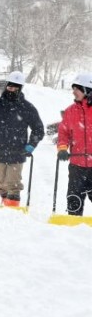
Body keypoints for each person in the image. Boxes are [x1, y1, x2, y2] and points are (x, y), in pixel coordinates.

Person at [0, 71, 44, 207]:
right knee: (1, 181)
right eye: (10, 86)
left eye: (15, 87)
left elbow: (38, 129)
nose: (12, 89)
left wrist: (30, 146)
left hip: (18, 151)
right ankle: (5, 199)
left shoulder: (27, 107)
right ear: (6, 86)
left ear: (20, 88)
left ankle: (12, 210)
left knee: (13, 184)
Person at [56, 73, 92, 216]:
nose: (73, 92)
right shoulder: (70, 111)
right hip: (77, 166)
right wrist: (62, 149)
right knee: (74, 199)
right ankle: (72, 230)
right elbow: (63, 133)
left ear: (87, 90)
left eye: (77, 88)